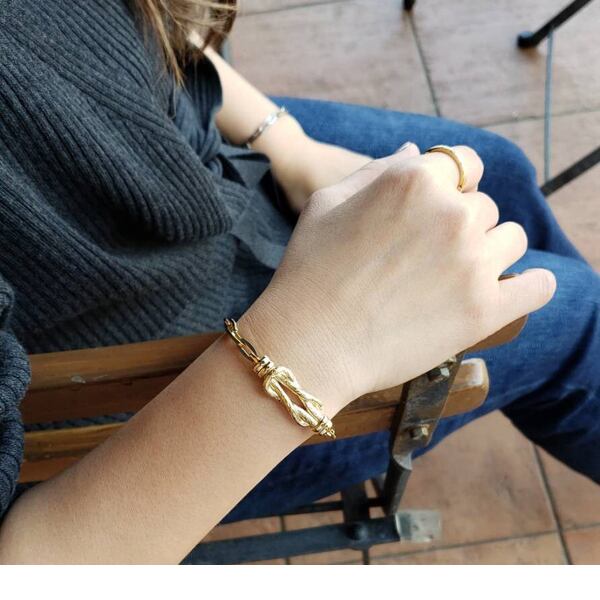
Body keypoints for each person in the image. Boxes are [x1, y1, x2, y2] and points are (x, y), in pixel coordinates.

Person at [0, 0, 597, 564]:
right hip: (162, 389)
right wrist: (322, 340)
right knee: (576, 313)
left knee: (500, 171)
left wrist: (289, 146)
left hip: (179, 140)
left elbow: (144, 22)